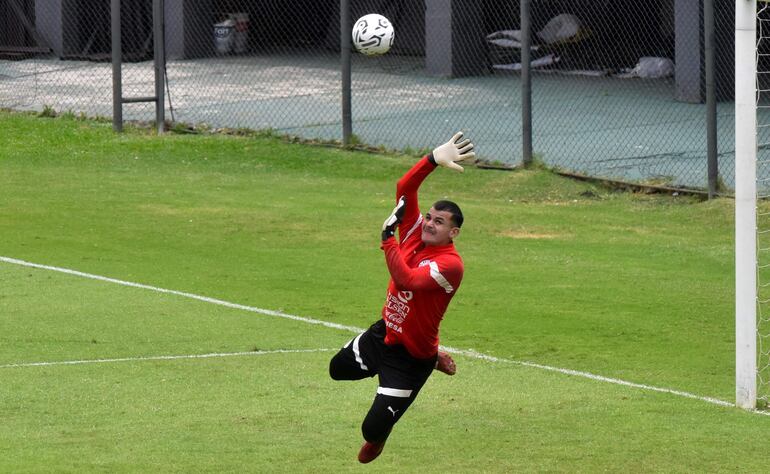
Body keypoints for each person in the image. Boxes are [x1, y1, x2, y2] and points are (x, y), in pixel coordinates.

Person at [328, 132, 475, 463]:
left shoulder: (450, 265)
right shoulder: (413, 232)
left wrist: (387, 240)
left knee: (371, 432)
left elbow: (405, 278)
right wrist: (432, 160)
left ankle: (428, 362)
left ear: (453, 232)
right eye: (429, 217)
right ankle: (429, 356)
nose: (429, 224)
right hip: (384, 334)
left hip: (410, 360)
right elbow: (404, 190)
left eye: (439, 222)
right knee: (337, 369)